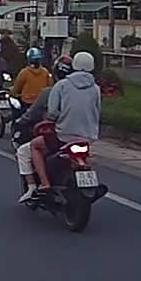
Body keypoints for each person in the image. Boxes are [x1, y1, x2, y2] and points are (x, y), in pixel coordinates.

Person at [21, 51, 101, 202]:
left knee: (34, 146)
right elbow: (97, 110)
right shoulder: (95, 88)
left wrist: (55, 120)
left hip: (64, 135)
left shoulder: (62, 85)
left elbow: (52, 113)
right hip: (88, 136)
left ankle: (44, 183)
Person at [15, 55, 71, 201]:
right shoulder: (86, 90)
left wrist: (21, 121)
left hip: (59, 134)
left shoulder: (50, 91)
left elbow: (39, 113)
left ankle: (38, 185)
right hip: (85, 134)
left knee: (26, 150)